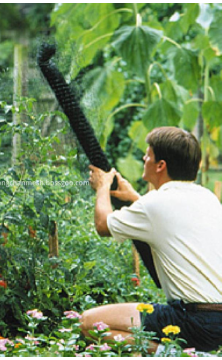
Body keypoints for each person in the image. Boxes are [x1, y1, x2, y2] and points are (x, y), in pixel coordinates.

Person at [83, 126, 222, 353]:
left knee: (90, 324)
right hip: (217, 320)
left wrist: (102, 186)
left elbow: (102, 224)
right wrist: (134, 198)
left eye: (148, 155)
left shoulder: (154, 204)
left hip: (192, 319)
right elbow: (169, 220)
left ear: (160, 166)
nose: (143, 158)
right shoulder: (208, 197)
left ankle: (175, 354)